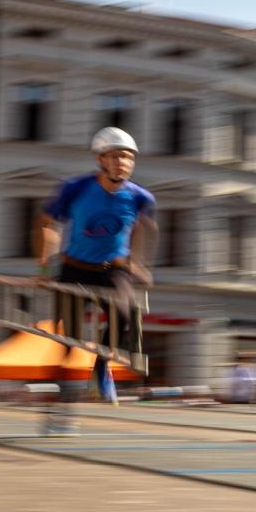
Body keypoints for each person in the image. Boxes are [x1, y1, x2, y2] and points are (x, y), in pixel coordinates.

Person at [34, 127, 157, 431]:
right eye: (115, 156)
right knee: (69, 341)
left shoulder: (141, 197)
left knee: (126, 317)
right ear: (101, 159)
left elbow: (144, 227)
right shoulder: (74, 188)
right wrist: (45, 266)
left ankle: (101, 368)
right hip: (74, 269)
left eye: (128, 158)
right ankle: (62, 410)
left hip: (112, 269)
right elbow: (48, 224)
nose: (122, 163)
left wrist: (136, 262)